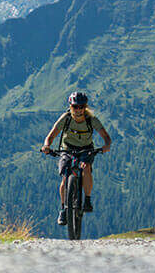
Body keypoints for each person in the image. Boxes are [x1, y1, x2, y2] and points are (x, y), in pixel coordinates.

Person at [41, 91, 112, 225]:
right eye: (75, 106)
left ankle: (87, 199)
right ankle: (63, 209)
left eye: (81, 106)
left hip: (86, 149)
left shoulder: (92, 119)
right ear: (70, 106)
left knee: (86, 168)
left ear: (85, 107)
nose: (78, 110)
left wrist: (106, 145)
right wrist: (46, 146)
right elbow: (50, 136)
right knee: (65, 177)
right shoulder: (66, 118)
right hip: (67, 148)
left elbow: (106, 137)